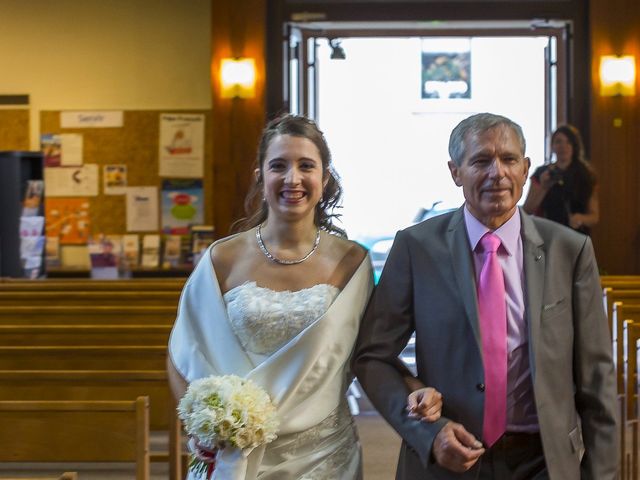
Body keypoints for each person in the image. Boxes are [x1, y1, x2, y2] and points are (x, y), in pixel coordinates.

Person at [167, 114, 441, 479]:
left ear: (324, 178)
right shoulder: (222, 258)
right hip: (233, 451)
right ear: (260, 176)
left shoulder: (352, 263)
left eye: (306, 166)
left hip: (322, 453)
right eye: (278, 166)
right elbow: (184, 353)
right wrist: (204, 425)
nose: (292, 179)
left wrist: (414, 388)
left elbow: (373, 352)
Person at [353, 113, 618, 479]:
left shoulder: (568, 251)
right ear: (455, 171)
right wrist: (427, 433)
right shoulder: (417, 248)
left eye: (509, 160)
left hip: (544, 460)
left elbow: (597, 380)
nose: (497, 173)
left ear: (526, 169)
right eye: (480, 161)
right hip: (448, 456)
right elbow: (372, 355)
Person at [523, 125, 599, 234]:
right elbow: (527, 210)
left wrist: (581, 218)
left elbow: (594, 216)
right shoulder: (541, 173)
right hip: (546, 235)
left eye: (568, 142)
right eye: (558, 142)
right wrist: (544, 187)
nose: (563, 146)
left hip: (576, 237)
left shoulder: (586, 175)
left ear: (574, 146)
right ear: (552, 146)